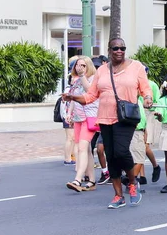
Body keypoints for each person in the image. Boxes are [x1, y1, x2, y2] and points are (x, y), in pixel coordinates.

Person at [63, 38, 153, 209]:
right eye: (116, 48)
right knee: (110, 157)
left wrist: (148, 98)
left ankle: (132, 183)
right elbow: (90, 96)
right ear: (109, 50)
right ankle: (118, 195)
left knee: (121, 151)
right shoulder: (102, 70)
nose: (119, 51)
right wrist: (72, 97)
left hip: (125, 118)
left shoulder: (136, 67)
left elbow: (145, 89)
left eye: (122, 48)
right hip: (104, 119)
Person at [65, 56, 99, 192]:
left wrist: (82, 75)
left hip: (90, 117)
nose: (80, 68)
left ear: (88, 66)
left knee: (82, 148)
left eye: (83, 65)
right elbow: (74, 98)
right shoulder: (77, 80)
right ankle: (91, 180)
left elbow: (90, 91)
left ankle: (78, 179)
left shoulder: (92, 79)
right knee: (86, 149)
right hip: (79, 118)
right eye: (78, 65)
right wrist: (69, 113)